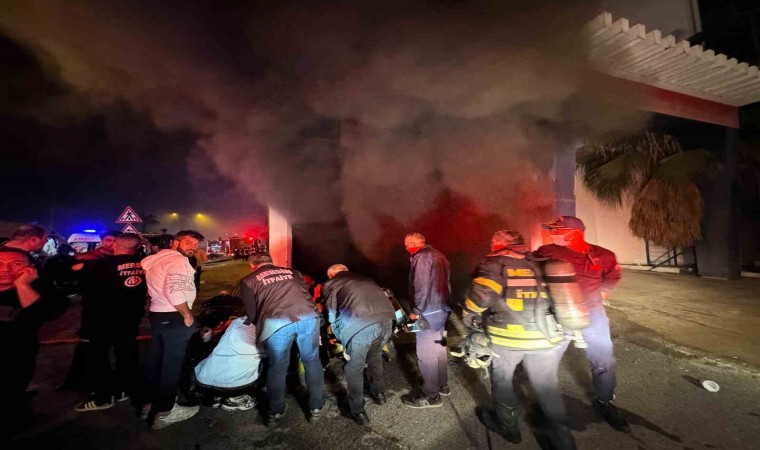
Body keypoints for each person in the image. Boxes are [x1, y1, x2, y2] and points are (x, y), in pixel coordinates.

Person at [463, 230, 576, 449]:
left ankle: (509, 429)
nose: (491, 245)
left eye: (493, 241)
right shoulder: (538, 262)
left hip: (508, 339)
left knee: (502, 382)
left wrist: (468, 313)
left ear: (501, 244)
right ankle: (564, 442)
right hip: (545, 336)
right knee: (548, 388)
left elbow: (481, 298)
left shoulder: (494, 263)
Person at [535, 216, 628, 432]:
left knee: (604, 360)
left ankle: (604, 401)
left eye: (557, 230)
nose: (552, 233)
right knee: (546, 362)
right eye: (551, 230)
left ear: (574, 233)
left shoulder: (603, 255)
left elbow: (612, 277)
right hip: (557, 315)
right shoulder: (547, 252)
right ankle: (547, 406)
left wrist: (600, 295)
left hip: (593, 315)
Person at [239, 253, 325, 426]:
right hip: (308, 317)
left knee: (277, 366)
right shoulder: (294, 273)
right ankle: (316, 407)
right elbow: (304, 295)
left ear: (252, 266)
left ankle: (276, 411)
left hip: (276, 322)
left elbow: (252, 314)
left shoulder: (248, 280)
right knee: (312, 361)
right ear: (271, 261)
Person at [72, 233, 148, 412]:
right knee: (126, 354)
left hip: (101, 319)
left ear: (115, 245)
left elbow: (73, 271)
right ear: (137, 247)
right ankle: (123, 389)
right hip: (131, 318)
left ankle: (103, 397)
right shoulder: (144, 264)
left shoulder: (100, 264)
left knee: (97, 357)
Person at [140, 230, 204, 430]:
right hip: (174, 316)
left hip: (157, 314)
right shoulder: (177, 260)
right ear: (175, 243)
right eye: (188, 242)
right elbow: (174, 290)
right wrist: (187, 314)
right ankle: (165, 411)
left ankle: (148, 405)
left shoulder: (156, 260)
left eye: (195, 244)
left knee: (155, 361)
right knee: (172, 365)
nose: (193, 247)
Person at [0, 247, 66, 436]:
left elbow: (43, 313)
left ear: (30, 268)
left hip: (16, 356)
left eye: (16, 264)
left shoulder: (42, 291)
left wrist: (23, 285)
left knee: (11, 397)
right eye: (0, 264)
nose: (5, 269)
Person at [321, 264, 395, 426]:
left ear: (331, 275)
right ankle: (379, 394)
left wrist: (340, 336)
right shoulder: (365, 278)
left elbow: (332, 313)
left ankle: (358, 411)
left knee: (354, 368)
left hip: (360, 327)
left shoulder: (331, 283)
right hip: (386, 321)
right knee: (375, 358)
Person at [401, 232, 451, 408]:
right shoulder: (440, 255)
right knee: (440, 348)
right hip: (442, 309)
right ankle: (443, 385)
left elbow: (421, 285)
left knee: (426, 355)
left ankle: (432, 396)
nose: (406, 248)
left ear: (414, 243)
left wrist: (417, 311)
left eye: (407, 244)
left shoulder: (421, 257)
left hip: (428, 312)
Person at [194, 315, 264, 412]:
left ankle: (214, 397)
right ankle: (236, 399)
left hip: (202, 379)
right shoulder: (269, 331)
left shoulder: (238, 322)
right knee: (268, 363)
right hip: (235, 386)